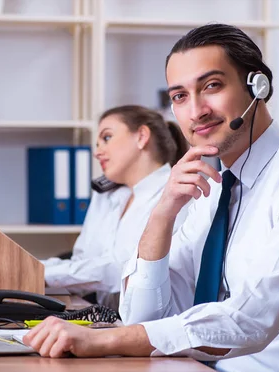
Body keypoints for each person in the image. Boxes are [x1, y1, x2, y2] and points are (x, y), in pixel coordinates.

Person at [23, 24, 279, 372]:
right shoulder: (211, 188)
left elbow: (248, 321)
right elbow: (144, 317)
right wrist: (163, 213)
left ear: (258, 86)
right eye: (180, 96)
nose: (196, 111)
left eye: (212, 86)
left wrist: (106, 340)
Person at [42, 104, 190, 310]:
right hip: (107, 321)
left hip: (155, 326)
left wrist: (42, 272)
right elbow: (83, 264)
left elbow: (126, 268)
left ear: (141, 136)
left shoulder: (178, 193)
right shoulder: (107, 195)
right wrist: (34, 269)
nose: (97, 152)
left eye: (107, 138)